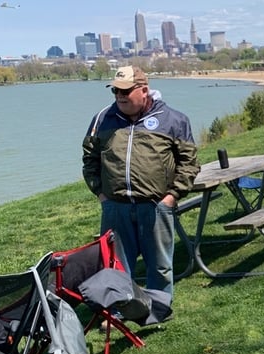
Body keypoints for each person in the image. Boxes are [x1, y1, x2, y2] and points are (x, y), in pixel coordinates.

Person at [82, 66, 200, 301]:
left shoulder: (173, 120)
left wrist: (171, 197)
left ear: (144, 90)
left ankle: (158, 308)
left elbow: (189, 163)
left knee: (159, 266)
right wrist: (101, 195)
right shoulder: (102, 119)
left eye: (125, 91)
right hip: (115, 207)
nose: (119, 96)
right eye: (115, 91)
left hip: (155, 206)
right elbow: (89, 159)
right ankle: (119, 309)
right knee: (114, 264)